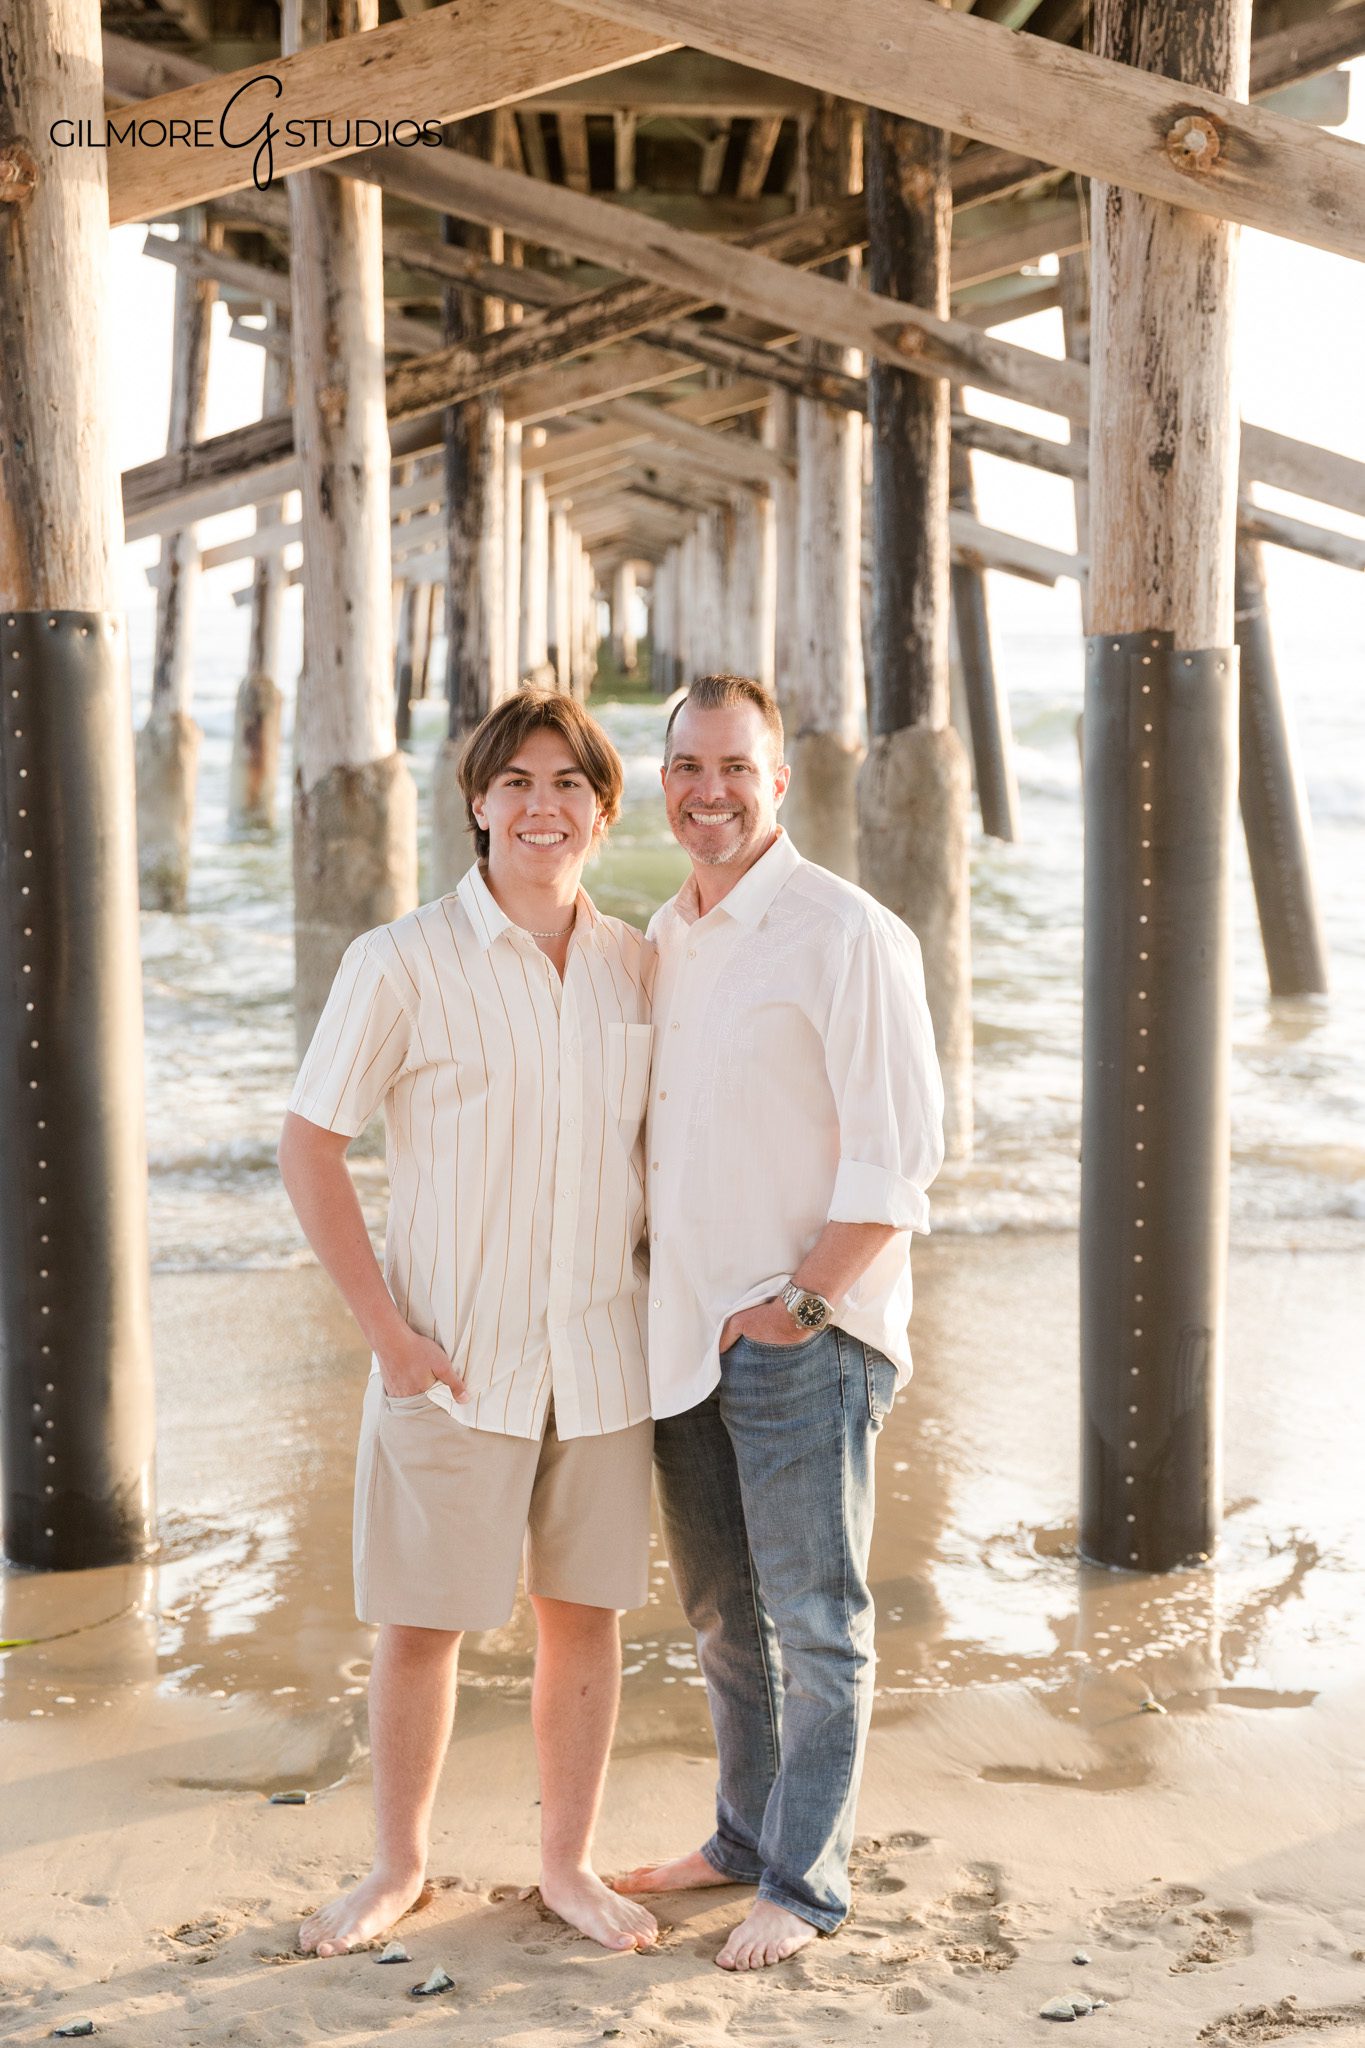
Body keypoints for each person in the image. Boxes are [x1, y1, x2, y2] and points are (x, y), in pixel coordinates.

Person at [278, 689, 659, 1959]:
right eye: (517, 783)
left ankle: (566, 1863)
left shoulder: (636, 963)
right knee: (422, 1622)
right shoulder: (399, 959)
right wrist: (387, 1330)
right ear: (479, 803)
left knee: (584, 1616)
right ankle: (397, 1866)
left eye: (567, 784)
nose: (541, 806)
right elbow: (311, 1142)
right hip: (452, 1356)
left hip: (603, 1359)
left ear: (604, 811)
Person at [615, 672, 944, 1970]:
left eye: (735, 768)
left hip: (802, 1331)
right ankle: (743, 1836)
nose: (710, 791)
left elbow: (902, 1156)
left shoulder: (845, 932)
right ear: (662, 779)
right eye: (689, 767)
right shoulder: (667, 934)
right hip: (687, 1334)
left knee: (815, 1621)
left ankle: (803, 1885)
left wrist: (803, 1300)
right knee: (718, 1615)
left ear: (780, 779)